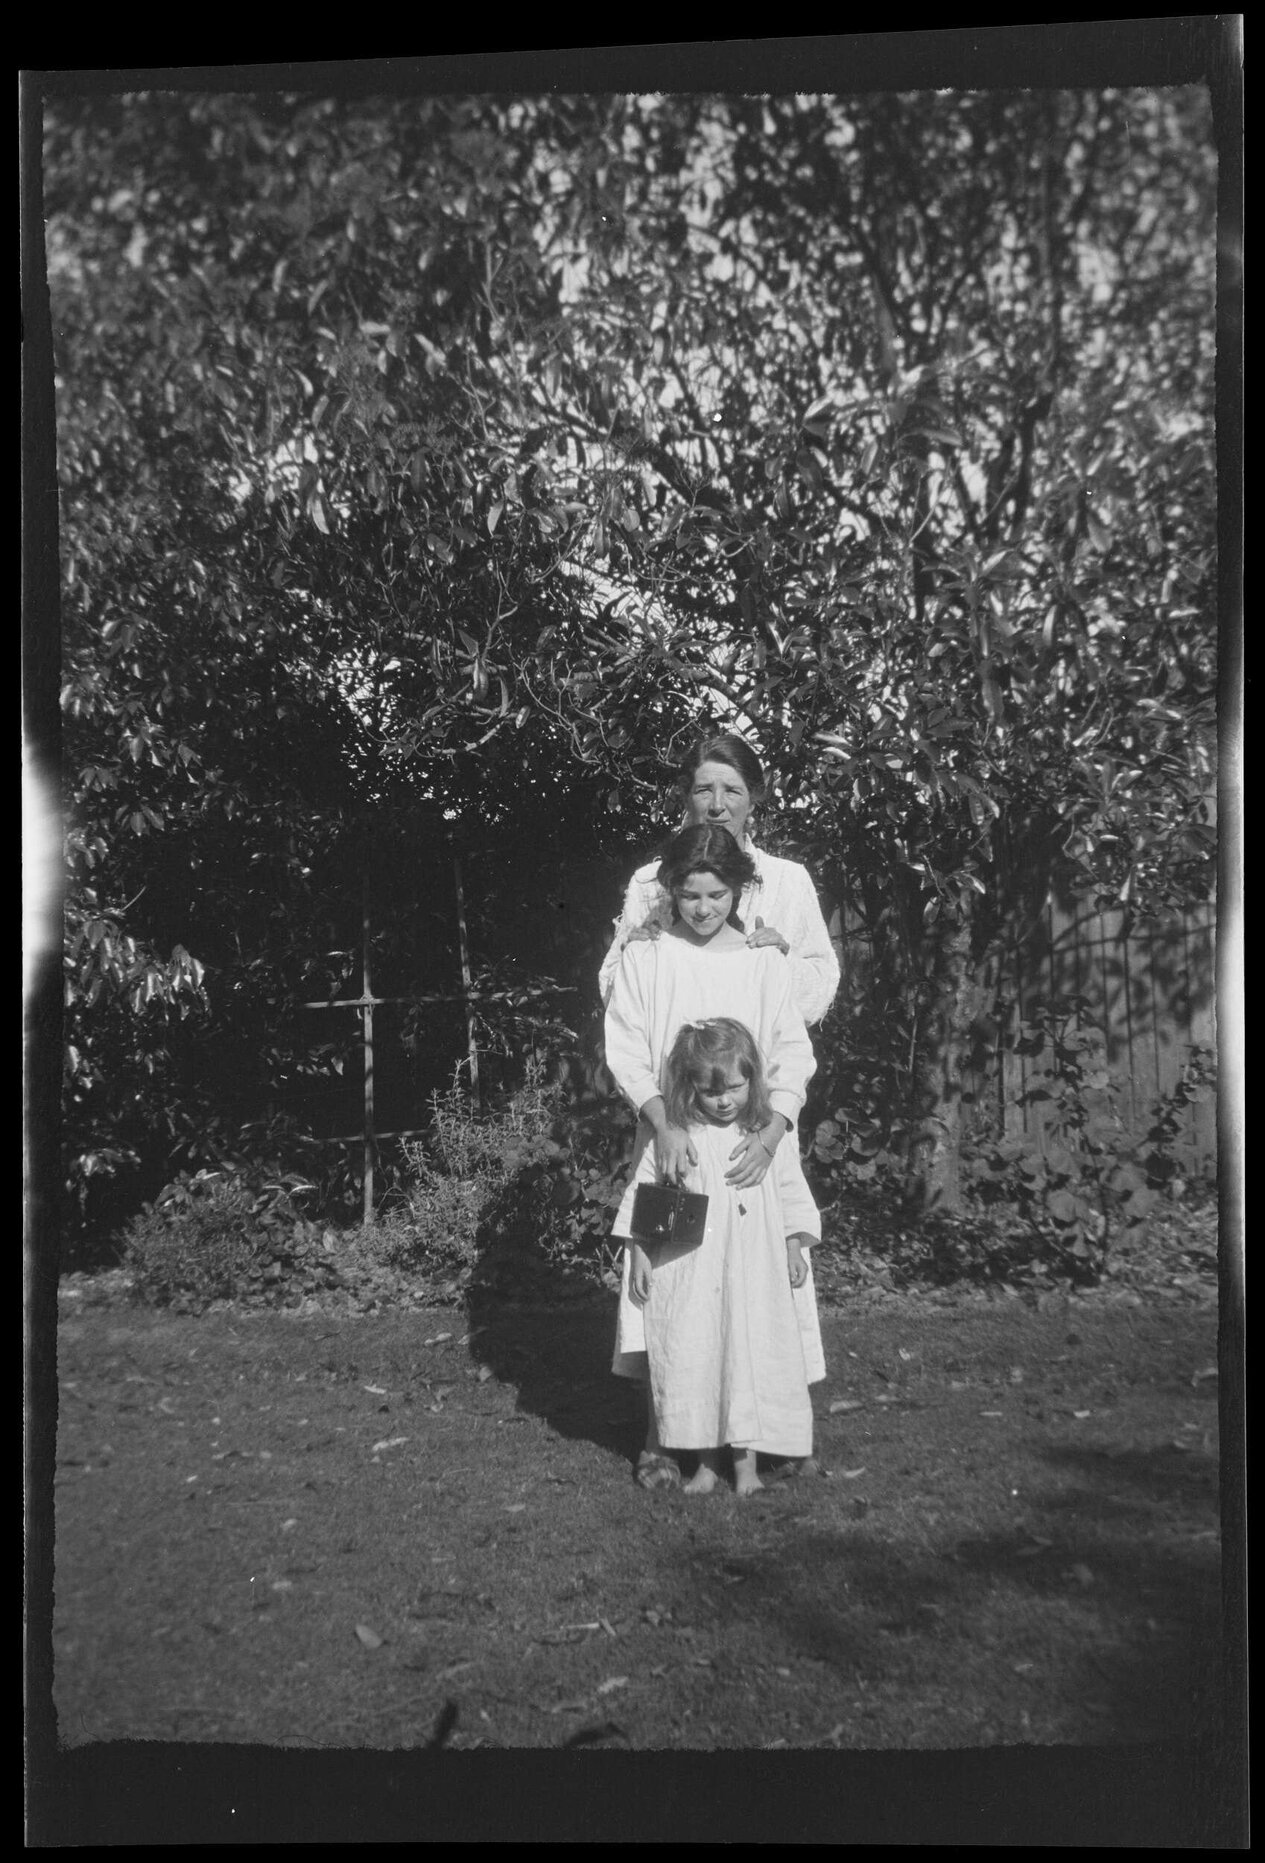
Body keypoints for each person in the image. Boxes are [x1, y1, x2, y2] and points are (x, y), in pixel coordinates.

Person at [604, 823, 820, 1488]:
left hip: (750, 1146)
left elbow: (791, 1052)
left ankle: (766, 1429)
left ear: (739, 891)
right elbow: (625, 1048)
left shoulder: (762, 959)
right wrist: (664, 1123)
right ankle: (667, 1436)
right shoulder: (648, 955)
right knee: (675, 1289)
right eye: (690, 896)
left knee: (758, 1291)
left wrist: (772, 1129)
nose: (703, 909)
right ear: (668, 891)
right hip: (673, 1142)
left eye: (717, 894)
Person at [614, 1017, 825, 1495]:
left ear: (753, 1080)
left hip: (753, 1272)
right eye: (712, 1092)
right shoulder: (680, 1138)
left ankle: (747, 1469)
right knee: (702, 1356)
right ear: (690, 1088)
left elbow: (791, 1191)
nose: (725, 1100)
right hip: (694, 1275)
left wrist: (794, 1243)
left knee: (745, 1355)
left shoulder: (765, 1139)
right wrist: (642, 1254)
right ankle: (707, 1463)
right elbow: (647, 1195)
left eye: (734, 1087)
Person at [599, 731, 840, 1030]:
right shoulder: (650, 883)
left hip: (757, 1067)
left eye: (732, 791)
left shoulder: (788, 881)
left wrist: (782, 959)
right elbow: (613, 995)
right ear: (686, 798)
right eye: (703, 790)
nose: (716, 805)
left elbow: (819, 992)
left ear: (752, 801)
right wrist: (631, 957)